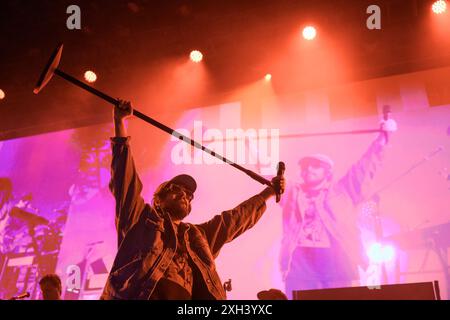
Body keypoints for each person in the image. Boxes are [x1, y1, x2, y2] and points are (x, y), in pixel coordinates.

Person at [100, 100, 285, 300]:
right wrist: (119, 122)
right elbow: (124, 181)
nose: (184, 195)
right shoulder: (141, 219)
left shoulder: (198, 236)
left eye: (189, 195)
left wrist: (268, 193)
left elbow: (235, 220)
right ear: (159, 200)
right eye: (176, 190)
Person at [279, 119, 397, 299]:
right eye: (305, 166)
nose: (309, 169)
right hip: (299, 262)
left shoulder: (343, 191)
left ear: (327, 172)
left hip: (334, 260)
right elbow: (268, 175)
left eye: (315, 166)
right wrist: (252, 146)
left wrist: (383, 138)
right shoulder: (292, 192)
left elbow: (365, 167)